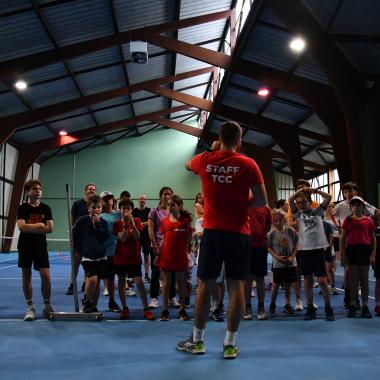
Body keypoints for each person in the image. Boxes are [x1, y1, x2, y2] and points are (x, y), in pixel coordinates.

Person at [177, 121, 268, 359]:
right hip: (239, 233)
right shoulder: (248, 164)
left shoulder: (205, 160)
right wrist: (239, 205)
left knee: (205, 286)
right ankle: (229, 344)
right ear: (239, 140)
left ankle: (197, 341)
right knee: (236, 286)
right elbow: (261, 201)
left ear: (219, 138)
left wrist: (211, 150)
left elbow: (186, 165)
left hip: (213, 233)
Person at [289, 187, 335, 321]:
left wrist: (315, 190)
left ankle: (328, 308)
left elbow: (328, 197)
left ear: (310, 202)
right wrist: (301, 190)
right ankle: (310, 308)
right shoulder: (298, 215)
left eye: (303, 202)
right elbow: (290, 200)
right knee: (308, 280)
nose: (301, 204)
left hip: (317, 251)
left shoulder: (318, 212)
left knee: (321, 280)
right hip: (304, 251)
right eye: (299, 203)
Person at [332, 181, 378, 308]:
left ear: (356, 192)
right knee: (349, 272)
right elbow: (329, 212)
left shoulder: (364, 206)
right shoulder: (341, 206)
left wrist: (375, 222)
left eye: (351, 191)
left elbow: (376, 212)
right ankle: (349, 298)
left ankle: (360, 302)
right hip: (348, 244)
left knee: (362, 275)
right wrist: (337, 225)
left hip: (362, 245)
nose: (349, 194)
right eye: (346, 192)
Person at [17, 179, 54, 321]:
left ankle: (47, 304)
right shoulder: (22, 208)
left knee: (46, 276)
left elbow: (50, 229)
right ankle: (30, 307)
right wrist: (39, 225)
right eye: (34, 188)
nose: (38, 190)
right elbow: (21, 227)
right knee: (27, 275)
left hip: (40, 247)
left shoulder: (46, 208)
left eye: (39, 188)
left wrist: (30, 228)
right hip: (25, 246)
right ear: (27, 192)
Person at [113, 198, 155, 320]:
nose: (126, 210)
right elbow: (123, 238)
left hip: (134, 257)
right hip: (120, 258)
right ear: (120, 210)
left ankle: (146, 309)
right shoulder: (117, 224)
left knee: (140, 283)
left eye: (128, 208)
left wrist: (131, 221)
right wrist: (126, 224)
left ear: (132, 210)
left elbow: (137, 237)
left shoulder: (136, 221)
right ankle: (125, 308)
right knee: (121, 283)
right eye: (123, 208)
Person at [340, 196, 376, 318]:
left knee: (364, 280)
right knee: (353, 280)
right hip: (352, 250)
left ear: (363, 206)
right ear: (350, 208)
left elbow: (373, 239)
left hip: (365, 250)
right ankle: (353, 305)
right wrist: (344, 255)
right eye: (353, 205)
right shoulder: (347, 221)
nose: (356, 207)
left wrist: (372, 254)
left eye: (358, 204)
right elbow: (342, 240)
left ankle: (365, 306)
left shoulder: (369, 221)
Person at [158, 194, 192, 321]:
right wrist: (158, 254)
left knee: (181, 284)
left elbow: (188, 240)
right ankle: (165, 310)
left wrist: (189, 232)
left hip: (180, 257)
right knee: (166, 284)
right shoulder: (165, 221)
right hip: (166, 256)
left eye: (173, 204)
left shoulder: (186, 221)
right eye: (168, 205)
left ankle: (182, 309)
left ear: (179, 206)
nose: (170, 207)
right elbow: (163, 239)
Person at [72, 196, 109, 313]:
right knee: (92, 279)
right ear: (88, 208)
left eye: (98, 207)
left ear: (101, 209)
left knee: (97, 282)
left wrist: (97, 224)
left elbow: (103, 237)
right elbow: (75, 237)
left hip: (101, 256)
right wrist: (79, 250)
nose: (96, 210)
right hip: (87, 256)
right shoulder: (81, 221)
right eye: (93, 207)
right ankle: (86, 302)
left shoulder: (103, 222)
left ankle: (94, 305)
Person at [147, 186, 178, 309]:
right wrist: (154, 245)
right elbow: (150, 229)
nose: (167, 196)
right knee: (156, 273)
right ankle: (154, 299)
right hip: (157, 246)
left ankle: (172, 298)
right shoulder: (154, 211)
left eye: (169, 194)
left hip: (171, 246)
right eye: (165, 194)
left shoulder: (174, 212)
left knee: (172, 273)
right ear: (161, 196)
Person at [66, 183, 96, 295]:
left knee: (88, 262)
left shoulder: (96, 204)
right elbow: (72, 220)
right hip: (79, 238)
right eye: (90, 189)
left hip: (91, 239)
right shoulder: (77, 204)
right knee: (76, 262)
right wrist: (74, 233)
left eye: (93, 189)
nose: (91, 190)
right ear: (85, 191)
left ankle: (85, 283)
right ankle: (72, 284)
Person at [243, 205, 272, 321]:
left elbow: (269, 225)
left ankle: (261, 307)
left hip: (260, 246)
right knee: (248, 278)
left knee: (260, 277)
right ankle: (248, 307)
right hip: (246, 245)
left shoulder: (266, 208)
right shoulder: (244, 205)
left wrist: (261, 233)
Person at [267, 210, 298, 315]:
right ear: (273, 221)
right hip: (278, 264)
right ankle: (272, 304)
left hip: (290, 263)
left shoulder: (291, 231)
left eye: (281, 220)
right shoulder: (272, 233)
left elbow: (296, 243)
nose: (279, 222)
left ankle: (287, 304)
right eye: (276, 220)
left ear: (284, 219)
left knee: (288, 284)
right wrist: (276, 257)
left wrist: (292, 256)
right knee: (276, 285)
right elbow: (269, 247)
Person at [99, 191, 121, 312]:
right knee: (110, 278)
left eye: (110, 199)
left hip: (120, 251)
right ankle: (111, 301)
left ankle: (123, 303)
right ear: (101, 201)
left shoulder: (119, 214)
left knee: (122, 278)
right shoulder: (100, 217)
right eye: (105, 199)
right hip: (107, 252)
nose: (108, 201)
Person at [132, 194, 151, 283]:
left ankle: (146, 274)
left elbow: (151, 222)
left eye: (143, 199)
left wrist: (140, 224)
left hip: (146, 236)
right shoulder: (134, 211)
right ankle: (135, 274)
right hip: (136, 235)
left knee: (146, 256)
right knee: (136, 255)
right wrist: (141, 224)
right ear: (138, 200)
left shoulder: (149, 210)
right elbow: (132, 221)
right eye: (141, 199)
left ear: (145, 200)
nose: (142, 200)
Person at [373, 213, 380, 317]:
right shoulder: (376, 230)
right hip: (379, 259)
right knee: (379, 282)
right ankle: (378, 305)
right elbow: (373, 245)